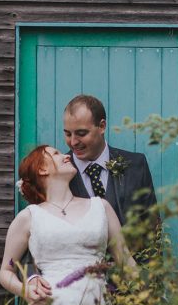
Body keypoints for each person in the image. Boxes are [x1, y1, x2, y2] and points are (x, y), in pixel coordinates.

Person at [0, 145, 134, 305]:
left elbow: (126, 261)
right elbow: (6, 271)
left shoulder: (101, 207)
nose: (66, 155)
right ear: (42, 169)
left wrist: (149, 300)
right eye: (56, 154)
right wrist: (26, 290)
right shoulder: (29, 217)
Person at [63, 94, 157, 227]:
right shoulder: (57, 172)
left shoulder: (136, 165)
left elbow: (152, 226)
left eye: (81, 133)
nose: (73, 142)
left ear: (102, 126)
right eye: (68, 134)